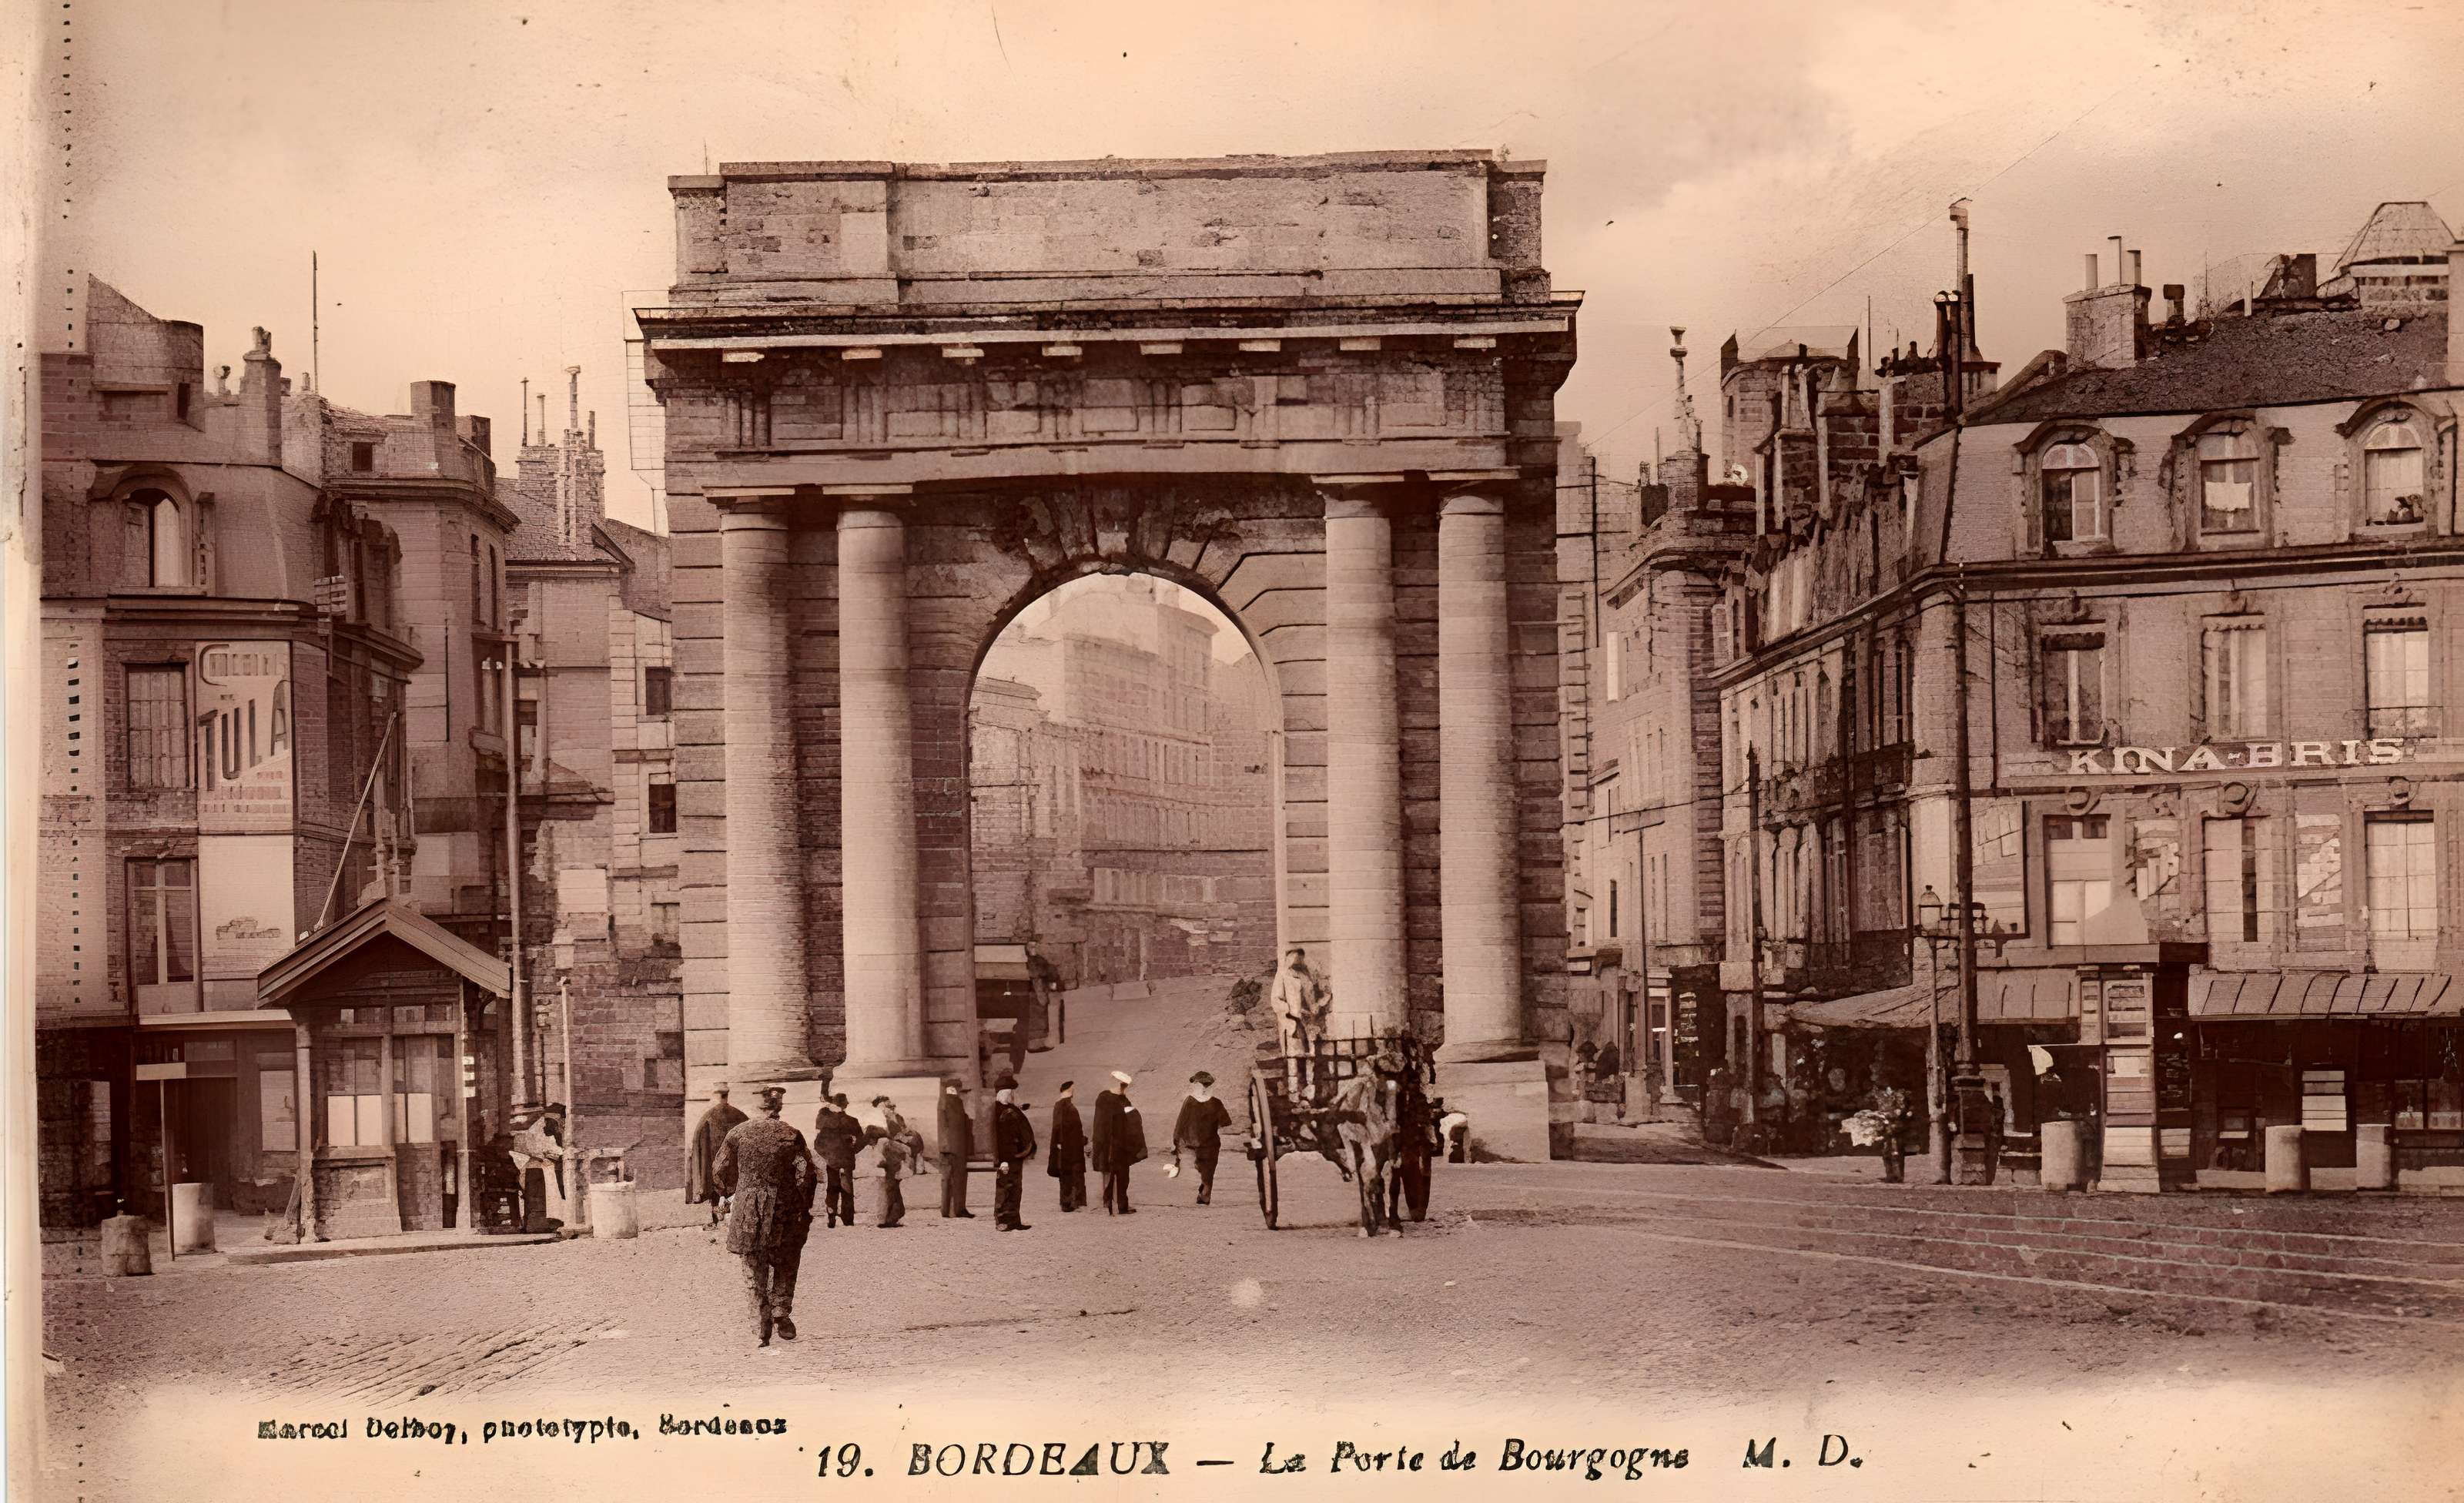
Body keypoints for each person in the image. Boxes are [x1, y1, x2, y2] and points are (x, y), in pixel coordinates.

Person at [714, 1084, 815, 1347]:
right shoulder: (791, 1134)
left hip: (748, 1209)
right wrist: (802, 1205)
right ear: (778, 1107)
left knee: (752, 1266)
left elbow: (719, 1170)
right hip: (785, 1208)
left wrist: (732, 1194)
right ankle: (781, 1312)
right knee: (785, 1260)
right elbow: (806, 1174)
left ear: (754, 1107)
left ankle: (760, 1326)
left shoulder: (737, 1133)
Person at [685, 1083, 746, 1229]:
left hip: (715, 1162)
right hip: (734, 1164)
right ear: (727, 1095)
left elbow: (698, 1143)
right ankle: (731, 1217)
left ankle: (716, 1220)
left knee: (715, 1190)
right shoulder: (740, 1115)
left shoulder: (708, 1116)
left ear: (717, 1095)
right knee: (734, 1189)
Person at [1090, 1070, 1147, 1215]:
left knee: (1117, 1175)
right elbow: (1101, 1124)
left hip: (1116, 1144)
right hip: (1111, 1144)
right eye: (1123, 1085)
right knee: (1114, 1174)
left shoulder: (1120, 1100)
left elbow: (1130, 1120)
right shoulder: (1107, 1099)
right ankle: (1113, 1204)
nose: (1124, 1088)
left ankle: (1116, 1204)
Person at [1172, 1071, 1232, 1206]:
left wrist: (1175, 1141)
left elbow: (1180, 1123)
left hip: (1201, 1142)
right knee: (1206, 1168)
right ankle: (1205, 1190)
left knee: (1206, 1168)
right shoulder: (1213, 1103)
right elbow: (1225, 1122)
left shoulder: (1193, 1102)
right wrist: (1176, 1140)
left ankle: (1205, 1194)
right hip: (1205, 1142)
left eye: (1198, 1084)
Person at [991, 1075, 1037, 1231]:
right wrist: (1003, 1160)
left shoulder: (1010, 1109)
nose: (1013, 1095)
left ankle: (1014, 1220)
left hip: (1015, 1157)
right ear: (1005, 1093)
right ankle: (1002, 1220)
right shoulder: (999, 1112)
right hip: (1007, 1157)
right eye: (1011, 1093)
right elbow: (1000, 1138)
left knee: (1016, 1188)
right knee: (1004, 1188)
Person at [812, 1093, 862, 1228]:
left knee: (832, 1189)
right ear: (845, 1105)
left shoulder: (826, 1122)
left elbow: (817, 1144)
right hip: (846, 1161)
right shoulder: (853, 1121)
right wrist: (852, 1150)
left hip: (832, 1161)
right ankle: (848, 1220)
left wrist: (827, 1156)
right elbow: (860, 1142)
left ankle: (831, 1217)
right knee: (847, 1190)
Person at [1270, 948, 1327, 1056]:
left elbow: (1312, 995)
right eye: (1294, 958)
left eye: (1300, 958)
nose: (1297, 960)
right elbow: (1276, 999)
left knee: (1314, 1054)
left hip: (1310, 1018)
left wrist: (1316, 1006)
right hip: (1293, 1018)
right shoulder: (1283, 974)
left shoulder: (1306, 975)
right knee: (1296, 1055)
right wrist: (1290, 1012)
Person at [936, 1080, 975, 1218]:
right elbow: (943, 1126)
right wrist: (946, 1147)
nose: (954, 1091)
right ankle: (952, 1210)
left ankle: (958, 1209)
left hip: (958, 1147)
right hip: (951, 1148)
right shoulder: (946, 1102)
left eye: (955, 1089)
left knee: (959, 1178)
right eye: (951, 1089)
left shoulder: (956, 1102)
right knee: (951, 1178)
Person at [1047, 1080, 1087, 1212]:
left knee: (1071, 1174)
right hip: (1068, 1147)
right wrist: (1060, 1144)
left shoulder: (1064, 1105)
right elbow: (1058, 1127)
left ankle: (1072, 1202)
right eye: (1073, 1089)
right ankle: (1068, 1203)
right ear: (1069, 1090)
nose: (1074, 1091)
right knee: (1068, 1174)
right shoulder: (1063, 1106)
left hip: (1071, 1146)